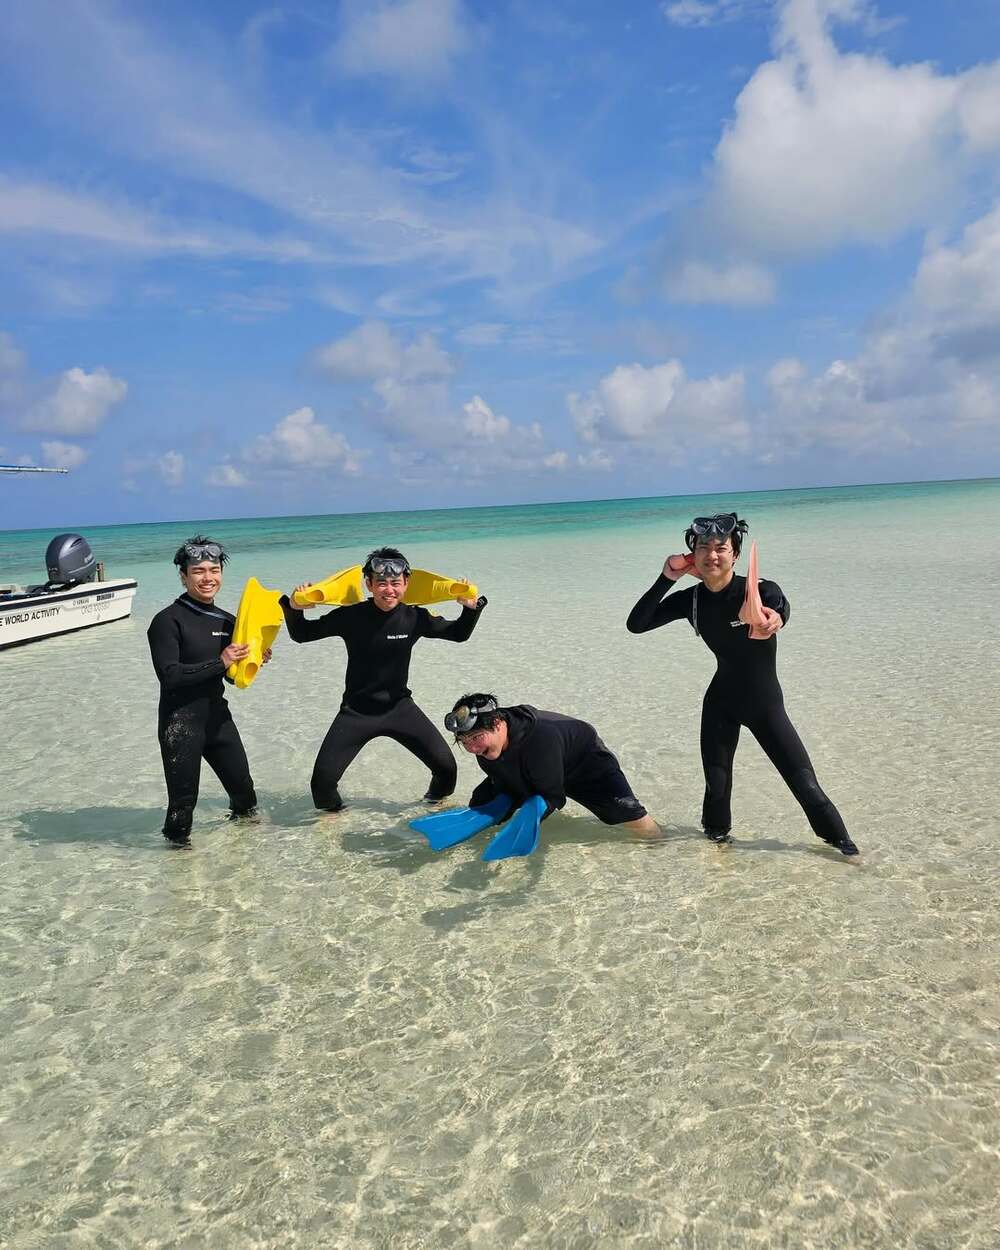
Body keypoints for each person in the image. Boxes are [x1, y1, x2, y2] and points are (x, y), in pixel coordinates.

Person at [626, 512, 859, 858]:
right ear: (693, 556)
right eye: (703, 547)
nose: (712, 555)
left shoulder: (760, 590)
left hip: (765, 706)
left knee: (806, 786)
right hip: (720, 704)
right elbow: (637, 624)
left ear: (735, 554)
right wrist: (667, 577)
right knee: (716, 787)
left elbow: (778, 607)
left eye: (721, 548)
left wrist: (776, 617)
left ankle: (847, 852)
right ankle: (717, 855)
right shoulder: (692, 600)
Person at [281, 548, 486, 811]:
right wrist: (294, 608)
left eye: (395, 583)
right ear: (369, 584)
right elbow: (302, 634)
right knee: (322, 783)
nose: (389, 590)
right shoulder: (350, 616)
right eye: (381, 583)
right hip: (356, 712)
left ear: (406, 584)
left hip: (400, 708)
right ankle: (333, 820)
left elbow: (458, 634)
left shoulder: (414, 617)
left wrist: (470, 609)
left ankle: (431, 805)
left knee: (446, 769)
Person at [147, 536, 262, 845]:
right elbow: (170, 676)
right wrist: (221, 661)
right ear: (183, 576)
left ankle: (246, 853)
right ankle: (179, 864)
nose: (208, 578)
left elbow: (232, 678)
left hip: (218, 720)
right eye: (198, 571)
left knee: (245, 795)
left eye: (214, 570)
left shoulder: (227, 621)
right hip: (180, 723)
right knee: (182, 806)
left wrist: (252, 660)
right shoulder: (166, 621)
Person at [445, 693, 661, 836]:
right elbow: (502, 780)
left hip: (586, 764)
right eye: (464, 741)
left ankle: (660, 843)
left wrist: (529, 818)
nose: (472, 748)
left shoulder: (541, 738)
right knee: (483, 800)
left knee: (626, 811)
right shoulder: (486, 743)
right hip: (533, 766)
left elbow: (553, 796)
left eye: (476, 738)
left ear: (498, 723)